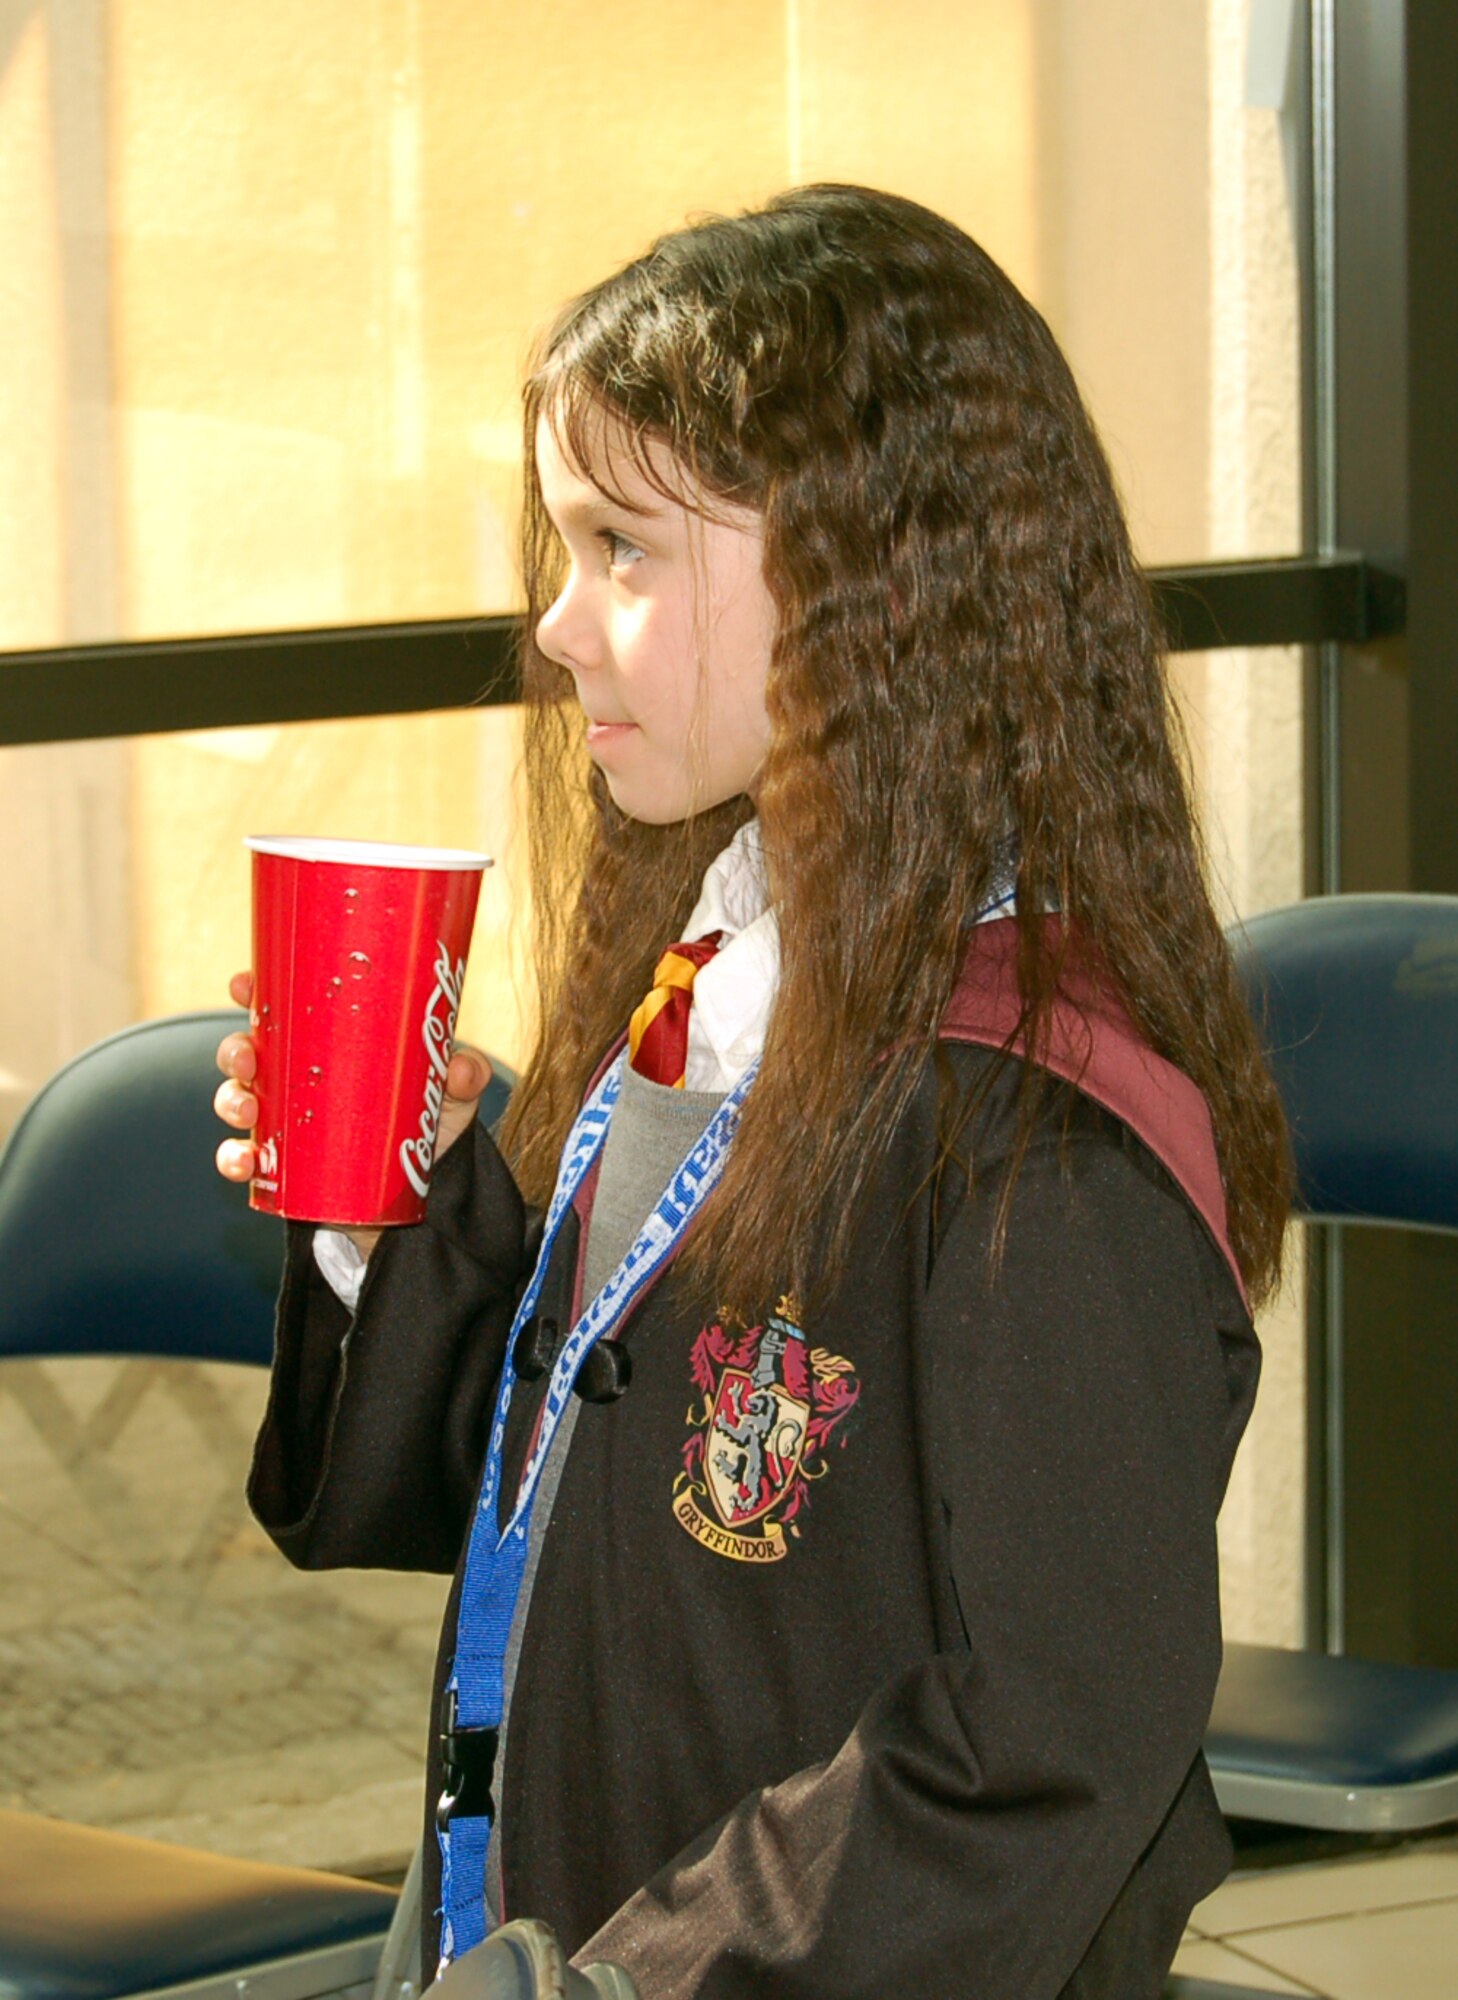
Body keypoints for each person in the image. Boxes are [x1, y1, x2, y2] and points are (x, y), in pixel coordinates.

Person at [214, 184, 1289, 2000]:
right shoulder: (718, 969)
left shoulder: (1042, 1130)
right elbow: (578, 1495)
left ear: (876, 577)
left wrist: (632, 1985)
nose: (556, 629)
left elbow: (1050, 1737)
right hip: (541, 1917)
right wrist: (392, 1217)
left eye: (622, 550)